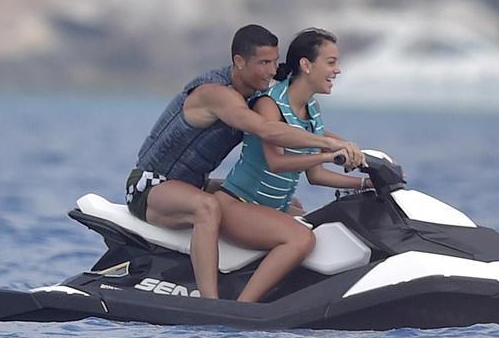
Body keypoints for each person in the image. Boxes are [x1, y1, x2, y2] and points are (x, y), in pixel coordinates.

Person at [126, 24, 364, 302]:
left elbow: (297, 127)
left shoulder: (255, 95)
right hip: (151, 184)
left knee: (293, 206)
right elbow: (268, 129)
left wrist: (357, 154)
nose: (272, 71)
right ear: (239, 62)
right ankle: (210, 303)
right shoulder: (217, 94)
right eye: (263, 63)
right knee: (207, 207)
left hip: (194, 184)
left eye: (275, 62)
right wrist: (329, 147)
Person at [223, 28, 369, 213]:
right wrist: (329, 156)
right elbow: (276, 163)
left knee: (325, 230)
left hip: (276, 208)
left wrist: (366, 183)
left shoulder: (312, 108)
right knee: (304, 239)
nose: (337, 70)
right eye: (331, 62)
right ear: (306, 65)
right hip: (245, 202)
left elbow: (316, 174)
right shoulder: (270, 103)